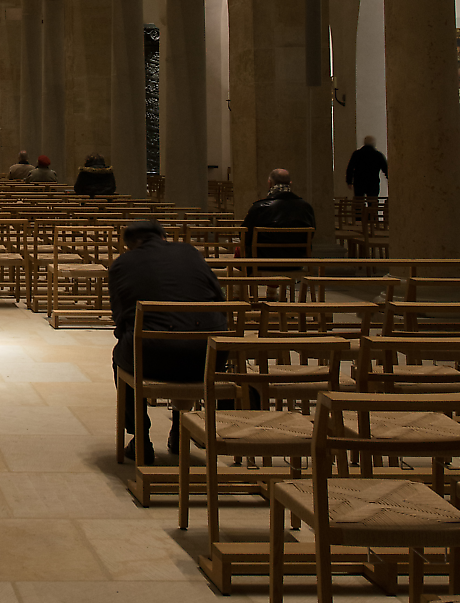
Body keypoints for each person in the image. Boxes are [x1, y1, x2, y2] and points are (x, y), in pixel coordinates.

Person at [108, 220, 227, 464]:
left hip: (152, 356)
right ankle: (178, 429)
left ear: (129, 245)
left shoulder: (122, 264)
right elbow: (219, 298)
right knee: (184, 339)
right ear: (164, 236)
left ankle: (141, 437)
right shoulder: (189, 252)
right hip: (209, 356)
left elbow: (120, 320)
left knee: (122, 357)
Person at [242, 167, 317, 258]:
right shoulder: (306, 207)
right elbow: (311, 233)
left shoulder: (259, 207)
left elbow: (244, 236)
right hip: (296, 260)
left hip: (263, 260)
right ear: (290, 184)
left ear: (269, 183)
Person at [344, 135, 388, 200]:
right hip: (373, 183)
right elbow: (385, 169)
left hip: (359, 182)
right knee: (372, 204)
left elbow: (350, 168)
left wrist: (349, 181)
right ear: (373, 143)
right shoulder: (378, 155)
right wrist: (389, 180)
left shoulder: (357, 154)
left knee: (359, 204)